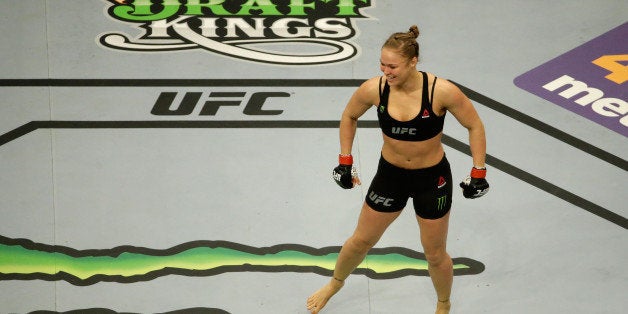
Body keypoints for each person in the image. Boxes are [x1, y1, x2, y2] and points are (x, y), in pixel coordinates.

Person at [306, 25, 489, 314]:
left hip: (432, 180)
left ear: (413, 62)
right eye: (382, 64)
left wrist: (479, 170)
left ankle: (443, 304)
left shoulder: (441, 91)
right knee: (361, 240)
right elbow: (349, 115)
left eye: (393, 66)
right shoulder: (375, 89)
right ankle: (335, 284)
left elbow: (474, 125)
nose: (386, 71)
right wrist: (345, 160)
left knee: (435, 254)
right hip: (391, 177)